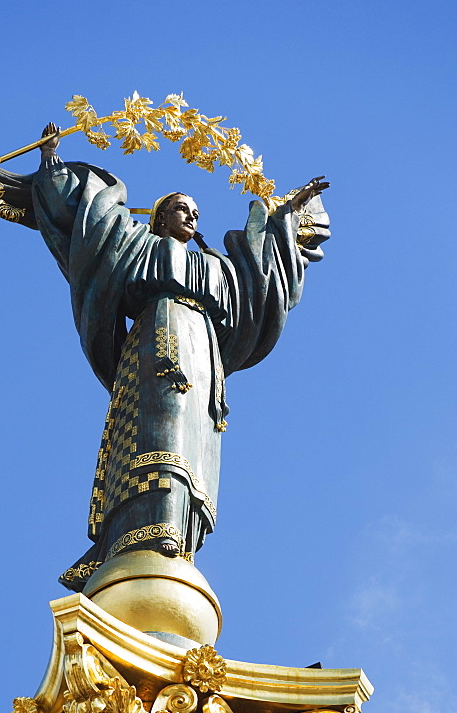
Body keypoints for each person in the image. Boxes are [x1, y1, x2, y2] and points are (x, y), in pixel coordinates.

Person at [30, 124, 329, 590]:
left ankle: (181, 531)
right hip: (158, 339)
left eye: (194, 211)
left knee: (195, 440)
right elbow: (88, 222)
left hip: (203, 355)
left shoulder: (216, 267)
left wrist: (286, 215)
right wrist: (51, 161)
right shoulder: (139, 246)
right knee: (161, 424)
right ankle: (145, 530)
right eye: (179, 209)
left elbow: (260, 277)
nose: (189, 215)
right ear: (160, 217)